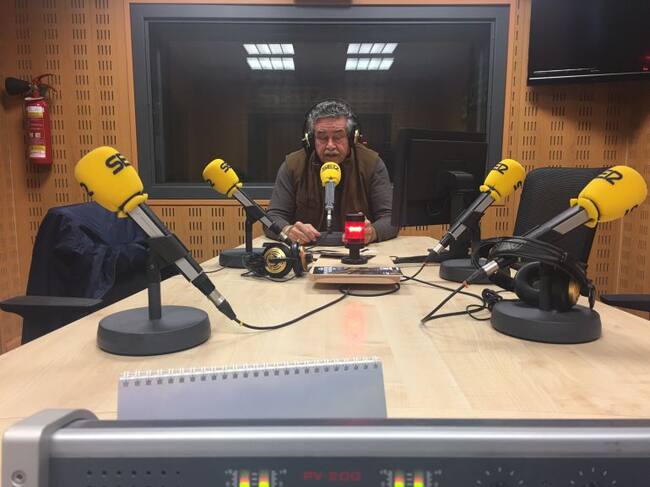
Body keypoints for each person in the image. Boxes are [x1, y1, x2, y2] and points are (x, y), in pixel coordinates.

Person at [265, 99, 399, 245]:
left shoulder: (371, 163)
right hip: (307, 251)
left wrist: (372, 232)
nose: (330, 145)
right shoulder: (293, 165)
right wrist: (287, 230)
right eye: (322, 137)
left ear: (351, 138)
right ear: (311, 140)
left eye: (338, 137)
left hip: (358, 250)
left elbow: (391, 218)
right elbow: (272, 217)